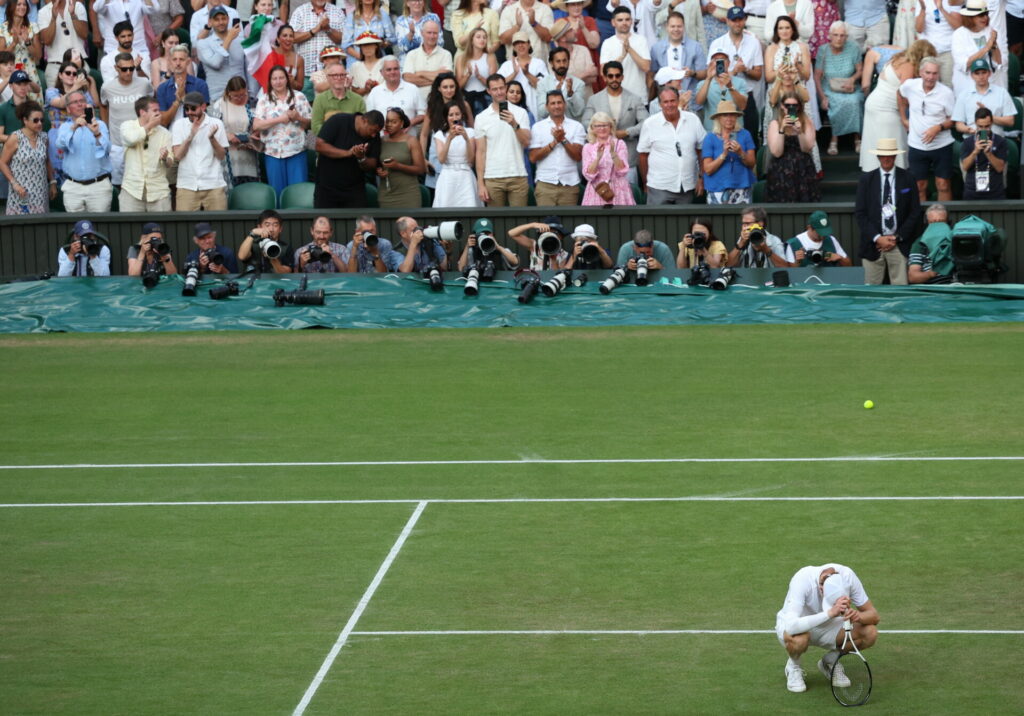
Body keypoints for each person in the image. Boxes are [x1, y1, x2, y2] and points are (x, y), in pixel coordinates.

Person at [776, 564, 879, 694]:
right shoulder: (802, 579)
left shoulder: (848, 576)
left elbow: (874, 616)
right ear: (821, 588)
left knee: (870, 633)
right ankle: (793, 666)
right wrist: (829, 613)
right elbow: (791, 626)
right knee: (799, 641)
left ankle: (831, 661)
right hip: (800, 627)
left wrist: (857, 616)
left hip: (829, 627)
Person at [859, 39, 936, 172]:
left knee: (881, 144)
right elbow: (904, 94)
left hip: (876, 104)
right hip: (884, 109)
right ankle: (892, 177)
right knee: (893, 145)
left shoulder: (899, 58)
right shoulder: (908, 65)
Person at [855, 137, 922, 285]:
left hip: (899, 244)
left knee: (901, 291)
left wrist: (896, 238)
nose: (886, 159)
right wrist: (877, 238)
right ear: (878, 156)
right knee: (870, 291)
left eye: (890, 155)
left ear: (895, 156)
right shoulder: (866, 180)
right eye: (883, 155)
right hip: (872, 244)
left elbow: (915, 211)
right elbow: (860, 213)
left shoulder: (908, 178)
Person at [897, 57, 954, 202]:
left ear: (938, 74)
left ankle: (944, 216)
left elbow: (954, 119)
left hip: (941, 145)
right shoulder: (910, 85)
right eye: (928, 72)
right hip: (916, 145)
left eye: (934, 73)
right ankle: (920, 216)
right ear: (920, 72)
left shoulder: (946, 93)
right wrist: (903, 118)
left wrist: (938, 128)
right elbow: (899, 93)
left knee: (943, 185)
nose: (931, 77)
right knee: (919, 186)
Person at [582, 62, 648, 183]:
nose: (614, 79)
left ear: (622, 77)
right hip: (600, 160)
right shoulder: (594, 99)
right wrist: (602, 129)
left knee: (628, 193)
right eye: (610, 76)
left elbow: (646, 122)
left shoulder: (635, 99)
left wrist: (627, 132)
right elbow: (586, 122)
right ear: (604, 77)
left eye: (617, 76)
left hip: (627, 158)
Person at [638, 86, 705, 204]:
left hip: (687, 186)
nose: (669, 105)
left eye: (673, 101)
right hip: (658, 186)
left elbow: (701, 150)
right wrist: (645, 183)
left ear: (678, 101)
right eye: (665, 102)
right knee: (656, 217)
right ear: (660, 104)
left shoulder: (693, 119)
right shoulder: (650, 123)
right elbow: (643, 155)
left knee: (685, 217)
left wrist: (701, 178)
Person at [253, 64, 311, 197]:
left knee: (298, 194)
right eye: (274, 79)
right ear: (270, 81)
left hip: (297, 151)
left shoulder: (299, 97)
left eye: (281, 78)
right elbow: (256, 126)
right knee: (277, 193)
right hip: (273, 153)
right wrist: (280, 119)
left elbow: (311, 124)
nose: (278, 82)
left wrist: (298, 117)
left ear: (287, 79)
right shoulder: (264, 100)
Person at [474, 73, 530, 206]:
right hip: (492, 177)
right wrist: (480, 184)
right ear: (488, 91)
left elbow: (526, 141)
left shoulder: (520, 112)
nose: (499, 92)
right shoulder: (481, 118)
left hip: (518, 174)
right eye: (495, 89)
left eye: (501, 88)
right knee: (495, 218)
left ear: (506, 87)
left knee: (520, 217)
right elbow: (480, 152)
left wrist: (514, 124)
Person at [55, 90, 113, 211]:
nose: (80, 104)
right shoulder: (65, 127)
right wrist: (73, 128)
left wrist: (97, 133)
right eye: (75, 102)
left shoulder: (100, 125)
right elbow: (60, 145)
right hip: (73, 187)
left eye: (82, 101)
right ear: (68, 109)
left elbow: (107, 149)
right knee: (75, 222)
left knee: (99, 222)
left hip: (99, 186)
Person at [314, 109, 384, 208]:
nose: (374, 135)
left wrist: (361, 158)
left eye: (376, 132)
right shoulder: (337, 120)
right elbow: (315, 144)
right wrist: (348, 153)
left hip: (354, 190)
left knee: (358, 217)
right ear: (364, 121)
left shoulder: (374, 136)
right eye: (372, 130)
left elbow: (372, 164)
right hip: (326, 188)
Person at [101, 52, 151, 188]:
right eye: (124, 69)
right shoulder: (107, 87)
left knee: (143, 182)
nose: (128, 72)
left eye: (131, 68)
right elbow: (103, 105)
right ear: (116, 68)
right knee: (119, 184)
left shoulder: (144, 83)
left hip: (141, 141)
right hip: (118, 144)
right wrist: (106, 128)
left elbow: (152, 99)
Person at [171, 90, 228, 210]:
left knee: (219, 221)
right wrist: (190, 136)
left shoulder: (217, 124)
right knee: (183, 222)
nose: (189, 112)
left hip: (213, 184)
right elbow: (177, 156)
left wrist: (212, 138)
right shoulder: (179, 124)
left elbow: (222, 156)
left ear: (203, 106)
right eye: (186, 109)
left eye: (193, 108)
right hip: (187, 185)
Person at [528, 90, 585, 206]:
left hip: (569, 184)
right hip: (545, 183)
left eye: (559, 102)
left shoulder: (577, 126)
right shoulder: (538, 127)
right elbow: (533, 158)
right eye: (553, 103)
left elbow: (578, 157)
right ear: (546, 107)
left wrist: (563, 139)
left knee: (568, 218)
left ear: (565, 104)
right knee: (545, 218)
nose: (556, 106)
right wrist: (554, 143)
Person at [816, 21, 863, 156]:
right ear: (830, 35)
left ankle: (857, 138)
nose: (839, 38)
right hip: (829, 87)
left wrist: (852, 80)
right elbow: (817, 77)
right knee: (837, 101)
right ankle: (834, 138)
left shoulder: (853, 47)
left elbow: (860, 70)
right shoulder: (823, 50)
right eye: (835, 35)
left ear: (846, 37)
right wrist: (822, 98)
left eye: (842, 35)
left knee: (855, 101)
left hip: (850, 86)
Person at [120, 95, 173, 211]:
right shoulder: (127, 126)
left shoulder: (165, 133)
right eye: (155, 110)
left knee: (163, 223)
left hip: (158, 192)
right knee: (129, 223)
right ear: (142, 112)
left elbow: (170, 163)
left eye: (158, 110)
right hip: (132, 190)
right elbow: (131, 139)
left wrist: (165, 158)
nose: (158, 113)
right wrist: (150, 125)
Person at [0, 99, 54, 213]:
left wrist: (52, 182)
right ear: (25, 120)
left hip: (40, 192)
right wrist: (14, 184)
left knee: (40, 222)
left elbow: (47, 161)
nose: (39, 123)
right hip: (21, 192)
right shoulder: (15, 138)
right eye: (35, 120)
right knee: (20, 222)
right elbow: (2, 162)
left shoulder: (44, 137)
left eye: (41, 120)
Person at [708, 7, 764, 114]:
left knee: (750, 124)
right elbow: (710, 74)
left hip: (747, 93)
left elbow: (758, 75)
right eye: (734, 20)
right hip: (724, 93)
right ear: (727, 21)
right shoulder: (717, 43)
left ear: (745, 20)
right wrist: (734, 71)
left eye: (740, 20)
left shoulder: (754, 42)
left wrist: (746, 69)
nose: (737, 24)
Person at [765, 92, 818, 203]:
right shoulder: (775, 124)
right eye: (787, 105)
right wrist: (782, 130)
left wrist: (800, 132)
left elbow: (807, 148)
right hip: (781, 169)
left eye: (794, 105)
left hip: (803, 168)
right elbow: (776, 152)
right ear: (782, 106)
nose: (791, 108)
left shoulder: (807, 122)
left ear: (799, 107)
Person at [700, 100, 755, 204]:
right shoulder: (710, 138)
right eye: (725, 115)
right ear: (718, 118)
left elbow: (752, 163)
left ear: (736, 117)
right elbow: (708, 169)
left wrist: (740, 152)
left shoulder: (745, 134)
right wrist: (724, 154)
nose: (729, 118)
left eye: (732, 115)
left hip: (742, 187)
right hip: (717, 188)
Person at [211, 76, 259, 186]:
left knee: (249, 187)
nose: (239, 98)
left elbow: (257, 125)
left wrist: (254, 135)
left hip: (248, 154)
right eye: (236, 96)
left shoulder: (251, 103)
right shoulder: (220, 104)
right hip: (229, 154)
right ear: (229, 93)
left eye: (242, 94)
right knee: (232, 187)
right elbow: (212, 127)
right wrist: (227, 136)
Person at [433, 99, 481, 207]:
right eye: (451, 115)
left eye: (457, 114)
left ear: (461, 115)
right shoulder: (440, 135)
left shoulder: (470, 132)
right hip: (447, 177)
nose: (455, 118)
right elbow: (441, 160)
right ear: (446, 117)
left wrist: (466, 138)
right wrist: (449, 139)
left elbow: (471, 160)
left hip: (466, 176)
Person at [376, 106, 426, 208]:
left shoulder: (411, 141)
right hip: (386, 194)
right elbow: (376, 164)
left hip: (408, 195)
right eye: (387, 121)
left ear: (402, 123)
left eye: (393, 122)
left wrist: (398, 166)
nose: (389, 125)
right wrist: (379, 171)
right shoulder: (380, 140)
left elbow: (421, 169)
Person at [650, 12, 705, 103]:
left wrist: (693, 73)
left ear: (684, 27)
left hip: (689, 99)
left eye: (679, 26)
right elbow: (652, 74)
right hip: (666, 101)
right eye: (673, 26)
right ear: (667, 27)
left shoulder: (695, 46)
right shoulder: (656, 48)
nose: (676, 29)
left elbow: (704, 73)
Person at [952, 58, 1016, 136]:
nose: (981, 76)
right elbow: (959, 124)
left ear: (989, 73)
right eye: (977, 73)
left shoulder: (1001, 92)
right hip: (972, 138)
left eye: (984, 72)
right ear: (972, 75)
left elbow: (1010, 121)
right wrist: (970, 130)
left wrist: (988, 116)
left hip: (996, 138)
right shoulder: (963, 95)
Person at [580, 111, 632, 206]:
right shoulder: (588, 147)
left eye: (605, 125)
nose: (602, 128)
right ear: (592, 128)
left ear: (610, 127)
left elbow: (623, 171)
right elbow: (588, 175)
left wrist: (613, 154)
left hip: (619, 190)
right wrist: (598, 158)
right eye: (598, 126)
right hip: (597, 190)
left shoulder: (620, 144)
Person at [951, 0, 1002, 98]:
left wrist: (994, 45)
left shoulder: (989, 30)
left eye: (986, 14)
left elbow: (998, 62)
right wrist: (986, 48)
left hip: (988, 86)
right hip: (966, 87)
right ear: (970, 17)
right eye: (981, 15)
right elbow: (964, 64)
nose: (985, 17)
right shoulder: (958, 35)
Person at [599, 6, 650, 101]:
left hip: (638, 96)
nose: (624, 23)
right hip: (616, 97)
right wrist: (622, 56)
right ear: (613, 22)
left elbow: (646, 67)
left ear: (631, 21)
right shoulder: (607, 43)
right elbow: (603, 73)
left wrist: (629, 49)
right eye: (620, 20)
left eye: (627, 19)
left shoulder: (641, 40)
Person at [197, 6, 245, 104]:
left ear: (228, 19)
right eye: (217, 19)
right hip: (218, 98)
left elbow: (247, 69)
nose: (221, 22)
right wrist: (228, 39)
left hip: (242, 96)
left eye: (223, 18)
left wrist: (251, 95)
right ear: (210, 22)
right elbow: (216, 63)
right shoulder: (203, 44)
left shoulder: (241, 41)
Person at [36, 0, 89, 90]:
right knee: (56, 98)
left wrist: (73, 15)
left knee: (82, 97)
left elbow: (84, 34)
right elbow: (47, 41)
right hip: (55, 66)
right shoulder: (43, 12)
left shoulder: (77, 6)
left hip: (79, 65)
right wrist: (53, 18)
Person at [365, 56, 426, 131]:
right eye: (389, 69)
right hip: (382, 137)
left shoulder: (413, 89)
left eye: (396, 69)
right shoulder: (375, 92)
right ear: (381, 72)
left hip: (407, 136)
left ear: (400, 70)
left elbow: (423, 114)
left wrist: (408, 124)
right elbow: (370, 117)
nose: (392, 72)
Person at [695, 49, 749, 131]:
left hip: (735, 131)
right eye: (716, 60)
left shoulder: (740, 82)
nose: (719, 63)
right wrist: (708, 78)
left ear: (729, 63)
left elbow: (742, 106)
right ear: (710, 63)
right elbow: (699, 102)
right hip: (712, 131)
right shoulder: (703, 84)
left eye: (723, 59)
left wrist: (730, 86)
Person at [157, 45, 210, 127]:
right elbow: (163, 122)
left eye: (181, 59)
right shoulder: (162, 88)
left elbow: (203, 116)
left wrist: (184, 98)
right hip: (170, 132)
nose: (178, 63)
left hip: (195, 129)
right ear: (170, 62)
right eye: (174, 59)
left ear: (188, 61)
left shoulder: (200, 85)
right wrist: (177, 101)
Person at [960, 107, 1007, 200]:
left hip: (995, 191)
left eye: (987, 126)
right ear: (975, 123)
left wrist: (988, 153)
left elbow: (1000, 168)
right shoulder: (968, 142)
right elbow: (965, 167)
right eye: (980, 126)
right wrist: (975, 151)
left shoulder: (1000, 141)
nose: (984, 130)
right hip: (972, 191)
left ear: (992, 123)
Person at [498, 31, 547, 118]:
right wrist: (514, 74)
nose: (520, 45)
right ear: (513, 47)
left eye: (523, 42)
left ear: (529, 44)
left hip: (535, 110)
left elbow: (544, 86)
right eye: (517, 43)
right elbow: (497, 85)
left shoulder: (539, 63)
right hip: (511, 112)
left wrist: (527, 74)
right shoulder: (506, 65)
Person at [402, 19, 452, 103]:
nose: (432, 36)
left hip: (439, 102)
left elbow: (447, 78)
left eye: (435, 33)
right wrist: (437, 79)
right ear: (422, 33)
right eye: (429, 32)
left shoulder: (446, 54)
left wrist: (420, 73)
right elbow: (408, 78)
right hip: (416, 102)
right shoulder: (411, 54)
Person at [915, 0, 963, 88]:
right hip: (928, 52)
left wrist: (941, 9)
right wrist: (923, 9)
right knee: (927, 84)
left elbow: (958, 27)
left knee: (948, 85)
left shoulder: (953, 1)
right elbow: (919, 29)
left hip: (948, 51)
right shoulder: (922, 1)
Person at [311, 63, 366, 137]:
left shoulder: (358, 100)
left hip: (351, 140)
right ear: (327, 78)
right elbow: (316, 127)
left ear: (346, 77)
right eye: (334, 75)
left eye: (342, 75)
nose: (339, 78)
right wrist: (336, 135)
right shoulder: (320, 99)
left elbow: (362, 126)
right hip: (327, 140)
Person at [549, 16, 598, 97]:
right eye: (571, 30)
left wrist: (570, 81)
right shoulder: (552, 57)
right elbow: (560, 84)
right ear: (563, 38)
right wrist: (586, 73)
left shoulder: (583, 50)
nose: (575, 31)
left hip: (587, 101)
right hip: (568, 102)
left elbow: (593, 78)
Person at [292, 0, 346, 74]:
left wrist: (328, 29)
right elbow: (292, 38)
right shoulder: (299, 12)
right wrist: (315, 30)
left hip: (332, 73)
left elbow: (343, 39)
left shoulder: (338, 12)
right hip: (305, 71)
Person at [783, 210, 852, 267]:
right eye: (820, 233)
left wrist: (839, 258)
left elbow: (849, 267)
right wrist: (798, 262)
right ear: (809, 228)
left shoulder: (831, 240)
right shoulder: (794, 244)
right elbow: (791, 273)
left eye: (825, 232)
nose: (823, 236)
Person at [908, 202, 955, 283]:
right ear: (927, 223)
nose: (937, 226)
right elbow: (913, 276)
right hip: (932, 285)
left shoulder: (956, 239)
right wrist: (932, 273)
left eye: (941, 222)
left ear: (948, 222)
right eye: (933, 223)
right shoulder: (920, 243)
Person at [535, 45, 586, 121]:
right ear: (551, 63)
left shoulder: (579, 83)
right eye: (558, 61)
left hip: (570, 126)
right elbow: (542, 112)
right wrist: (554, 94)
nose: (562, 65)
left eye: (564, 61)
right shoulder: (542, 84)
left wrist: (571, 94)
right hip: (549, 126)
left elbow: (579, 111)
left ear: (568, 61)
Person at [455, 27, 497, 115]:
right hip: (466, 99)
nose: (482, 40)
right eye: (478, 37)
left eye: (484, 37)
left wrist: (479, 77)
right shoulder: (461, 59)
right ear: (471, 40)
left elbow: (494, 84)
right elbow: (458, 86)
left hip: (486, 98)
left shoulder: (490, 57)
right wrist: (468, 75)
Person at [498, 0, 554, 65]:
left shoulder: (545, 9)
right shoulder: (508, 10)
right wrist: (517, 26)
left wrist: (534, 23)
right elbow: (503, 40)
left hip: (540, 64)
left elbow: (548, 37)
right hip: (515, 66)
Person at [238, 209, 294, 273]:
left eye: (275, 225)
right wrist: (252, 233)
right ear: (259, 227)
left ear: (280, 229)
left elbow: (287, 272)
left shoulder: (285, 247)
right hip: (254, 278)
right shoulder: (252, 244)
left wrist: (273, 256)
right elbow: (242, 256)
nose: (271, 229)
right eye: (267, 225)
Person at [99, 20, 148, 87]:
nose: (127, 39)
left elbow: (147, 83)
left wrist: (138, 68)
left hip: (139, 92)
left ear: (133, 35)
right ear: (116, 38)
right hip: (118, 93)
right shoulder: (107, 60)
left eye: (129, 35)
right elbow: (109, 86)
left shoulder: (143, 56)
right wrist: (125, 70)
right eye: (123, 36)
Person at [395, 0, 441, 65]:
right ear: (407, 3)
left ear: (424, 2)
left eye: (420, 0)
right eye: (414, 0)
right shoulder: (401, 21)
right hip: (408, 62)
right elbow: (402, 48)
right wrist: (411, 34)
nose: (417, 3)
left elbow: (440, 42)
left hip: (430, 59)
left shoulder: (433, 18)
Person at [349, 31, 385, 96]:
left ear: (376, 46)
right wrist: (365, 89)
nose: (367, 48)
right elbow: (353, 92)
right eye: (364, 45)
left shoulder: (385, 63)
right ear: (360, 47)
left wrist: (376, 86)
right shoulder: (355, 66)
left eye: (370, 44)